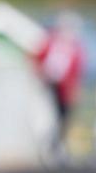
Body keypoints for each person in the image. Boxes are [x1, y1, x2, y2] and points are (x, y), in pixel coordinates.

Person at [35, 11, 84, 161]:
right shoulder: (52, 43)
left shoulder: (74, 47)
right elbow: (39, 60)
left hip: (65, 91)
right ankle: (48, 148)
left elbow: (76, 70)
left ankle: (58, 148)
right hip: (49, 88)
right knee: (49, 119)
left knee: (64, 120)